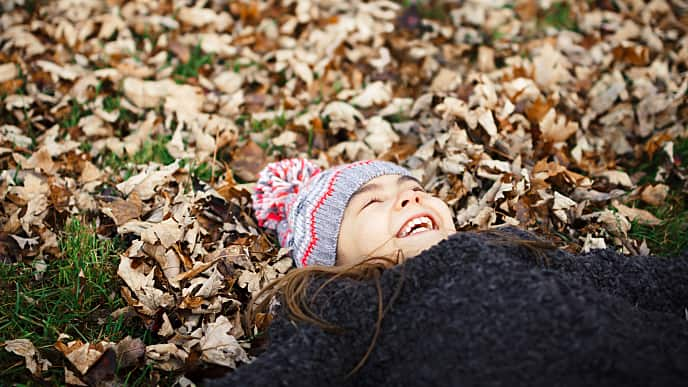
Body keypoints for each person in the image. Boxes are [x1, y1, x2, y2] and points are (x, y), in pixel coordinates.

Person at [205, 158, 688, 387]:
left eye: (413, 188)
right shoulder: (344, 308)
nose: (409, 197)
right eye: (373, 202)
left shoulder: (502, 246)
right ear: (334, 264)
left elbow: (625, 279)